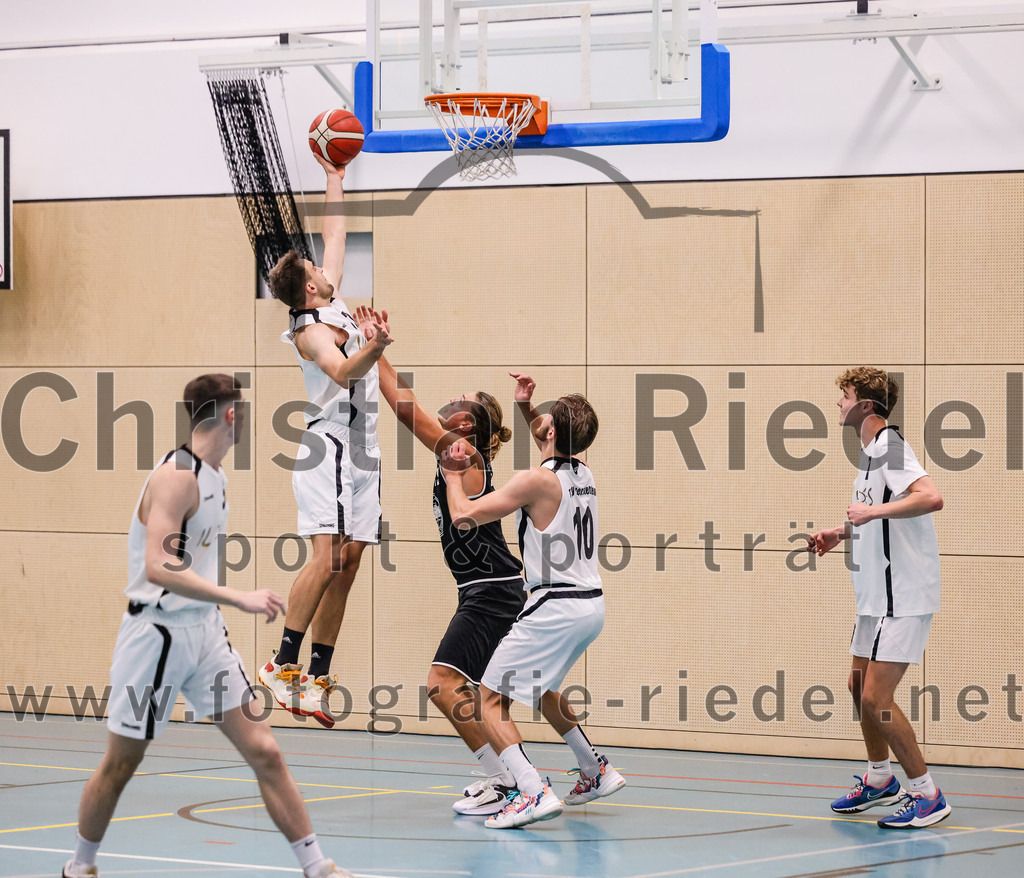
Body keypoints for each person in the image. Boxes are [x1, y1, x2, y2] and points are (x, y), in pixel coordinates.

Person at [63, 374, 352, 878]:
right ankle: (79, 865)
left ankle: (317, 867)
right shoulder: (178, 474)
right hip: (155, 636)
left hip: (205, 636)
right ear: (231, 416)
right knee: (120, 764)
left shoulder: (216, 476)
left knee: (265, 750)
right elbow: (158, 564)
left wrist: (218, 607)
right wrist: (237, 595)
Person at [355, 305, 525, 815]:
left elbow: (407, 410)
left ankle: (514, 781)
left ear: (468, 421)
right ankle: (517, 777)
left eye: (459, 401)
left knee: (442, 683)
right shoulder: (458, 459)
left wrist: (376, 349)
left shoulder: (464, 455)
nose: (447, 404)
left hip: (493, 590)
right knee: (475, 693)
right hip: (487, 589)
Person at [441, 375, 625, 830]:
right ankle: (596, 769)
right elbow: (552, 436)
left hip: (555, 605)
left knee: (488, 698)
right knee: (542, 692)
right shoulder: (583, 470)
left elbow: (464, 517)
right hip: (591, 605)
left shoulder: (534, 482)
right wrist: (524, 407)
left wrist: (450, 476)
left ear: (550, 433)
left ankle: (532, 791)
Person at [258, 155, 392, 728]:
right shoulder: (311, 331)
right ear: (310, 286)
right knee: (328, 555)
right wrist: (378, 344)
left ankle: (315, 676)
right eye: (316, 266)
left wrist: (335, 174)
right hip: (328, 446)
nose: (325, 261)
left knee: (353, 557)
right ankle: (280, 664)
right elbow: (343, 372)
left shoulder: (330, 299)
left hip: (364, 449)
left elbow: (334, 230)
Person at [808, 367, 950, 829]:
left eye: (845, 396)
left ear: (866, 406)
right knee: (856, 686)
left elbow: (931, 497)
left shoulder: (891, 446)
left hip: (902, 595)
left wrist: (870, 512)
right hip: (874, 597)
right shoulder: (869, 456)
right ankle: (879, 779)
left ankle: (927, 794)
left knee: (876, 697)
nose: (839, 404)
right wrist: (840, 530)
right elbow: (879, 517)